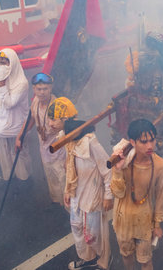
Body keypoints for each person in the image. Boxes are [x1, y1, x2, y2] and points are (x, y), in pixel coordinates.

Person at [47, 97, 113, 270]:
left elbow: (108, 170)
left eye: (54, 119)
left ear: (65, 120)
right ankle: (87, 258)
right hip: (76, 193)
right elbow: (70, 166)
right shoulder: (65, 138)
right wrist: (68, 190)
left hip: (92, 195)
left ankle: (103, 262)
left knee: (96, 233)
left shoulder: (89, 141)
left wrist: (108, 196)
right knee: (77, 228)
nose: (50, 123)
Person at [110, 119, 163, 270]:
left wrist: (157, 224)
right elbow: (117, 192)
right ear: (132, 142)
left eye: (152, 140)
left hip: (145, 221)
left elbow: (161, 197)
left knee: (146, 261)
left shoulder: (161, 165)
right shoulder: (123, 160)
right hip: (123, 220)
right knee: (127, 257)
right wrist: (117, 170)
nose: (149, 146)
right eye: (143, 142)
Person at [15, 73, 66, 205]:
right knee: (51, 176)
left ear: (51, 88)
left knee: (63, 177)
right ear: (34, 89)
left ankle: (68, 206)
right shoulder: (36, 102)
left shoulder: (58, 106)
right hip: (44, 147)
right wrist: (20, 137)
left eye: (45, 89)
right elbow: (31, 119)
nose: (42, 92)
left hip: (59, 150)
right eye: (39, 89)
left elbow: (68, 129)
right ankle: (57, 202)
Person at [0, 48, 31, 182]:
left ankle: (25, 181)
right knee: (4, 156)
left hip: (16, 129)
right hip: (1, 127)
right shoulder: (2, 80)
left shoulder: (21, 83)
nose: (1, 67)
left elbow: (10, 103)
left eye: (5, 63)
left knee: (19, 156)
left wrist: (0, 83)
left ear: (13, 63)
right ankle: (11, 180)